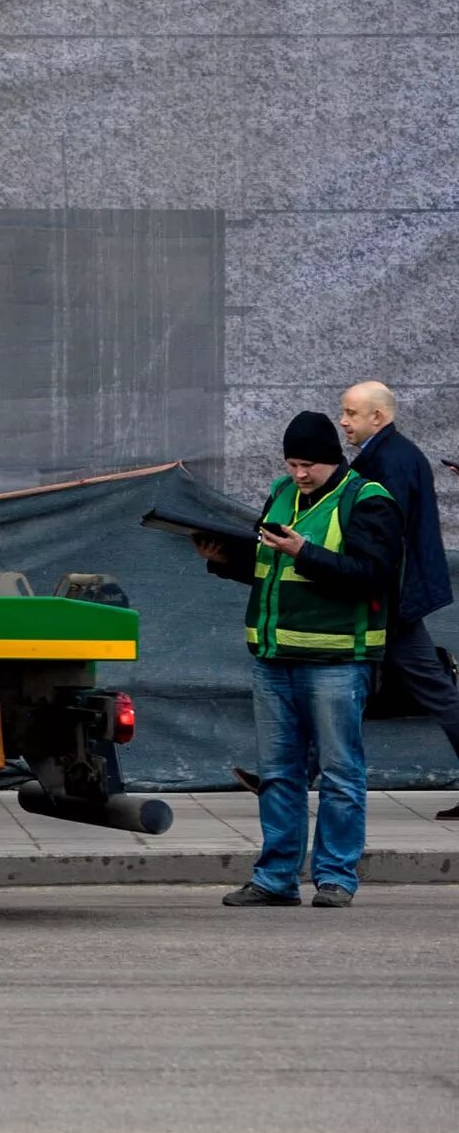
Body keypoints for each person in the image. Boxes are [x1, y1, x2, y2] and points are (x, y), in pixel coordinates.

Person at [198, 412, 399, 907]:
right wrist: (225, 560)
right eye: (291, 463)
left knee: (340, 773)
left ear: (333, 460)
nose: (299, 474)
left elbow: (373, 575)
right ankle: (275, 878)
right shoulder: (281, 494)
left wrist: (304, 551)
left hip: (335, 661)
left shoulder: (367, 500)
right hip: (274, 659)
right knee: (280, 773)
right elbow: (270, 569)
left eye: (308, 465)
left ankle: (335, 878)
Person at [338, 381, 459, 819]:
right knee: (344, 687)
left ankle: (285, 777)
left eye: (351, 413)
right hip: (391, 595)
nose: (344, 421)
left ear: (378, 417)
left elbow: (385, 538)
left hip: (389, 598)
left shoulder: (390, 461)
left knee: (347, 685)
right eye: (344, 412)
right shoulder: (390, 455)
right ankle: (285, 776)